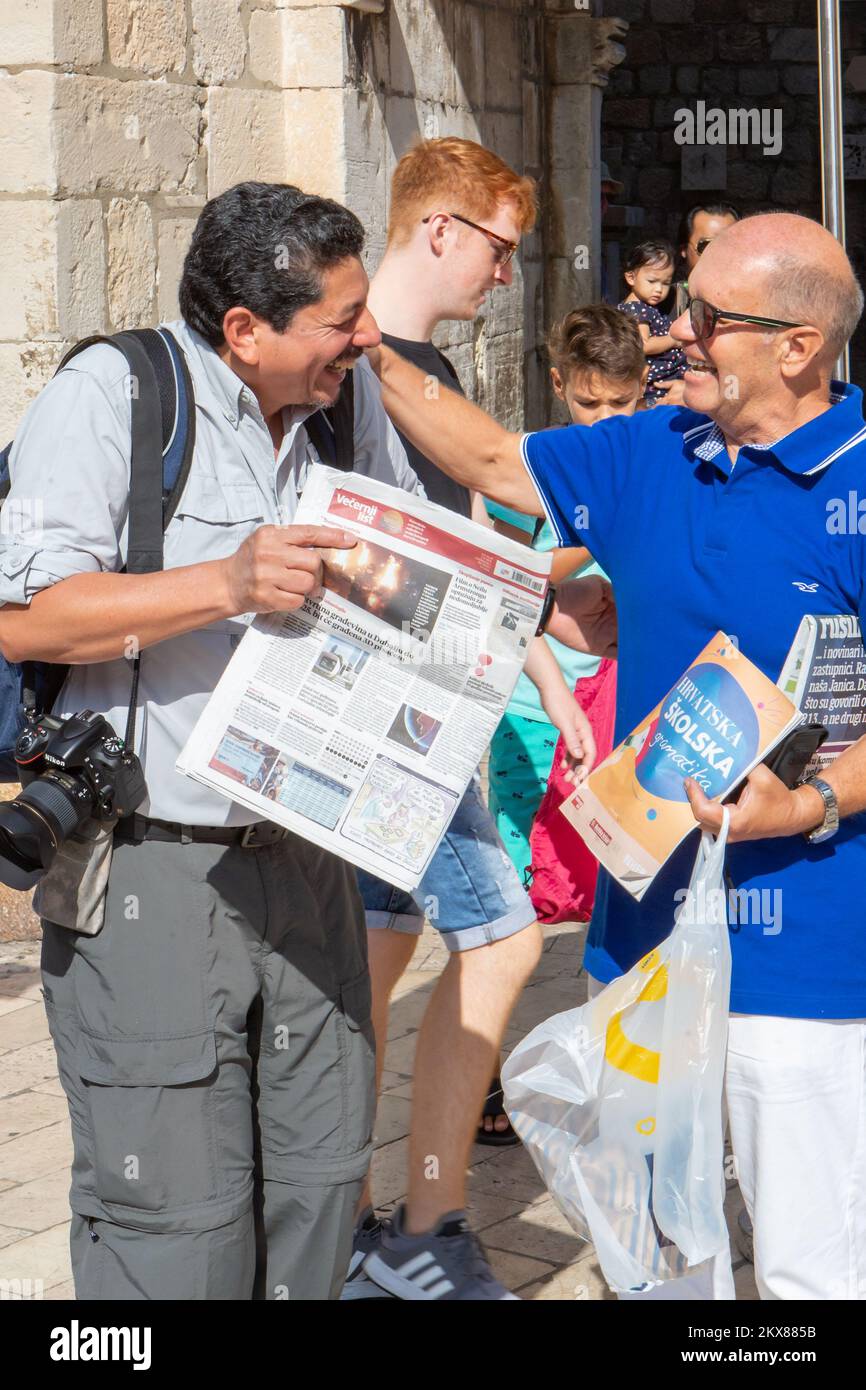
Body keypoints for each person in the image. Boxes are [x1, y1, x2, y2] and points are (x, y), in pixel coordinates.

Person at [368, 211, 866, 1300]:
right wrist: (362, 335)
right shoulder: (653, 444)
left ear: (796, 347)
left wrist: (813, 798)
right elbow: (493, 458)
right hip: (639, 950)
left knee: (804, 1271)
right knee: (651, 1264)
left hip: (808, 957)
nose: (669, 336)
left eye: (705, 318)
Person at [0, 181, 430, 1301]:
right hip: (151, 860)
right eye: (341, 319)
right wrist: (226, 582)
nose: (367, 336)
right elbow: (26, 617)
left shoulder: (347, 402)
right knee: (174, 1224)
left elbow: (397, 570)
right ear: (245, 329)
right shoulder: (116, 396)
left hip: (309, 857)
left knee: (318, 1181)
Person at [342, 137, 596, 1301]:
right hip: (377, 717)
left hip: (419, 714)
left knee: (375, 958)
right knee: (494, 938)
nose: (506, 274)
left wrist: (543, 677)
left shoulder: (417, 368)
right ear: (439, 229)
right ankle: (418, 1220)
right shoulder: (355, 365)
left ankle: (362, 1221)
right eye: (498, 247)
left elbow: (474, 554)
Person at [486, 304, 645, 883]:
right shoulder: (530, 468)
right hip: (533, 712)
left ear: (642, 385)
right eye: (589, 403)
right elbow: (496, 574)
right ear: (559, 384)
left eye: (620, 404)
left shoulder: (653, 459)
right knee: (527, 882)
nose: (604, 420)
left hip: (624, 703)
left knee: (615, 881)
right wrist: (594, 530)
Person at [617, 239, 686, 406]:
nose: (659, 289)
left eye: (665, 283)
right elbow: (643, 345)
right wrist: (673, 340)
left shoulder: (645, 307)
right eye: (652, 281)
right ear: (631, 277)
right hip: (657, 387)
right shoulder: (636, 310)